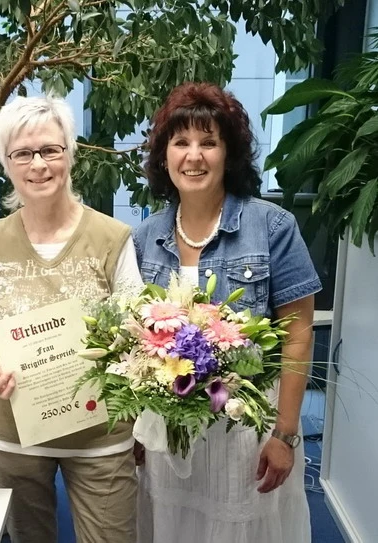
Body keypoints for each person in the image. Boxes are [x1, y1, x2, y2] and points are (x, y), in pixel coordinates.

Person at [133, 82, 321, 542]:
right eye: (181, 142)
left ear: (229, 153)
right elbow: (136, 342)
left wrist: (285, 434)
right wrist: (136, 429)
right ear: (164, 156)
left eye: (209, 142)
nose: (194, 156)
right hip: (172, 431)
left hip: (246, 431)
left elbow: (299, 334)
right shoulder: (144, 238)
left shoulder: (272, 226)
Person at [0, 95, 142, 543]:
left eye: (50, 150)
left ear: (69, 154)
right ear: (5, 163)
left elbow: (138, 333)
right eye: (22, 153)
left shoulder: (112, 237)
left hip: (100, 432)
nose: (38, 164)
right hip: (14, 433)